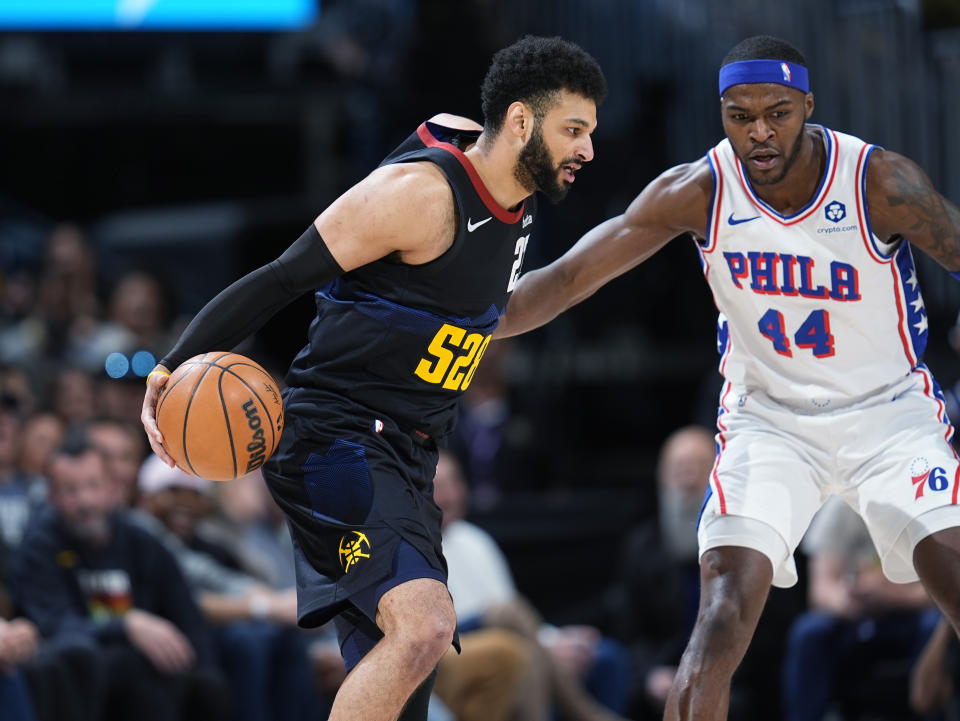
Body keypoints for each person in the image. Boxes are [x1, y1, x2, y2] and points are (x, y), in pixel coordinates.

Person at [140, 35, 607, 721]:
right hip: (335, 440)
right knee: (423, 626)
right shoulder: (418, 197)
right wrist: (169, 364)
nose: (587, 149)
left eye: (589, 131)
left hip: (409, 456)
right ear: (518, 122)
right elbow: (279, 278)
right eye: (573, 129)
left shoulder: (515, 199)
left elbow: (496, 305)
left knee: (405, 679)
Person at [496, 35, 960, 721]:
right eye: (740, 115)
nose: (760, 132)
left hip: (888, 413)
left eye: (777, 112)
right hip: (769, 418)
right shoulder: (700, 190)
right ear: (721, 115)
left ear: (808, 105)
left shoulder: (878, 183)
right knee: (719, 617)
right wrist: (457, 319)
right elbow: (567, 278)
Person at [12, 434, 231, 721]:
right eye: (70, 490)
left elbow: (187, 615)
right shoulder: (40, 546)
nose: (85, 500)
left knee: (211, 681)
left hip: (151, 670)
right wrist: (126, 624)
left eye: (93, 485)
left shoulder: (141, 541)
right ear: (51, 495)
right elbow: (54, 623)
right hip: (84, 671)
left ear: (113, 487)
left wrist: (202, 671)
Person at [433, 449, 632, 721]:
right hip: (453, 642)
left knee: (606, 657)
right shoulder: (411, 544)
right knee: (513, 630)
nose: (450, 496)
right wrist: (543, 645)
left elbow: (515, 609)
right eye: (439, 486)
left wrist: (553, 640)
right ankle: (589, 714)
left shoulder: (475, 540)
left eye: (455, 483)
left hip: (513, 632)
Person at [783, 496, 939, 720]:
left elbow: (940, 592)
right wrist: (853, 597)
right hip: (854, 615)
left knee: (937, 626)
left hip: (910, 616)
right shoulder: (841, 505)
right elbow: (821, 590)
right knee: (808, 632)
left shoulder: (924, 500)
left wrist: (894, 595)